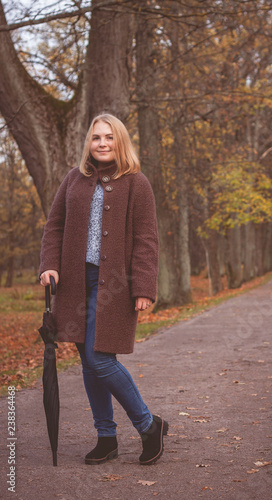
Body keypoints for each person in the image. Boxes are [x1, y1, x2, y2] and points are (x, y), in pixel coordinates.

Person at [39, 113, 168, 466]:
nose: (102, 143)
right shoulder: (73, 180)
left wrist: (143, 287)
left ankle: (147, 425)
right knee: (87, 361)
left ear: (120, 141)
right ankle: (106, 437)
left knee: (99, 359)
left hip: (115, 286)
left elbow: (146, 240)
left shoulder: (136, 183)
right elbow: (55, 227)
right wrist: (49, 264)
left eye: (109, 137)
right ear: (89, 143)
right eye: (96, 137)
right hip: (75, 283)